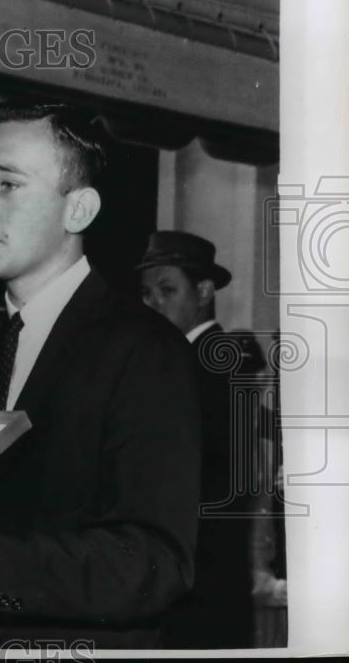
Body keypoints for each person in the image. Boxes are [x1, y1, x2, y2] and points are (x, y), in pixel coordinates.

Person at [0, 103, 201, 648]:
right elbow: (1, 526)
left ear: (78, 209)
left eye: (8, 184)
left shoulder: (146, 350)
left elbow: (154, 565)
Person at [137, 230, 262, 648]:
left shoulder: (212, 362)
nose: (153, 303)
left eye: (167, 290)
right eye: (147, 293)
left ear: (205, 291)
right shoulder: (184, 359)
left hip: (200, 572)